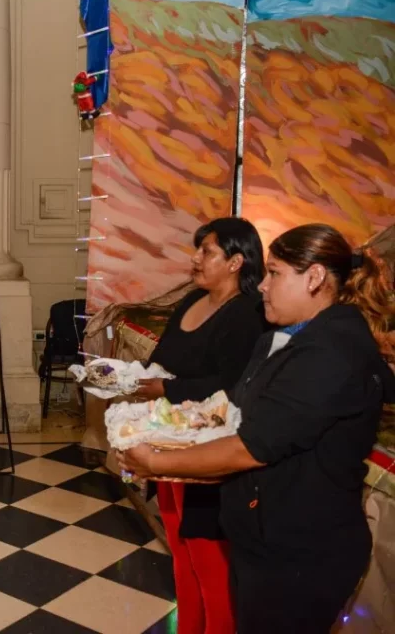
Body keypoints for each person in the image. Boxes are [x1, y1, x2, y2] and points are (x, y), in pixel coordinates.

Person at [119, 224, 395, 634]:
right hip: (263, 539)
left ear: (315, 277)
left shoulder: (332, 351)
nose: (263, 285)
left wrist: (157, 460)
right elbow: (236, 407)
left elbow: (251, 447)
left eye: (275, 273)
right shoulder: (283, 336)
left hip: (302, 553)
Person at [132, 218, 266, 634]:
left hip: (209, 451)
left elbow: (233, 383)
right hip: (170, 443)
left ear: (235, 261)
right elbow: (165, 358)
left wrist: (165, 389)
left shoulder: (247, 314)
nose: (195, 258)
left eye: (206, 251)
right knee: (180, 550)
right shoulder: (192, 300)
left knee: (209, 562)